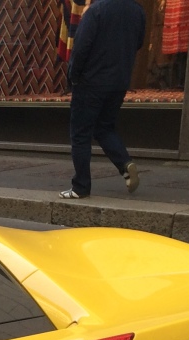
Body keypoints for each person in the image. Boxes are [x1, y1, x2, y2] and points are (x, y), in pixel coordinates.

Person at [60, 0, 145, 200]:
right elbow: (139, 42)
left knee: (80, 134)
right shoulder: (137, 11)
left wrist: (74, 75)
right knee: (105, 127)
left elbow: (82, 46)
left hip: (91, 80)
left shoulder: (96, 10)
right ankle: (125, 163)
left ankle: (80, 186)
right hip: (119, 80)